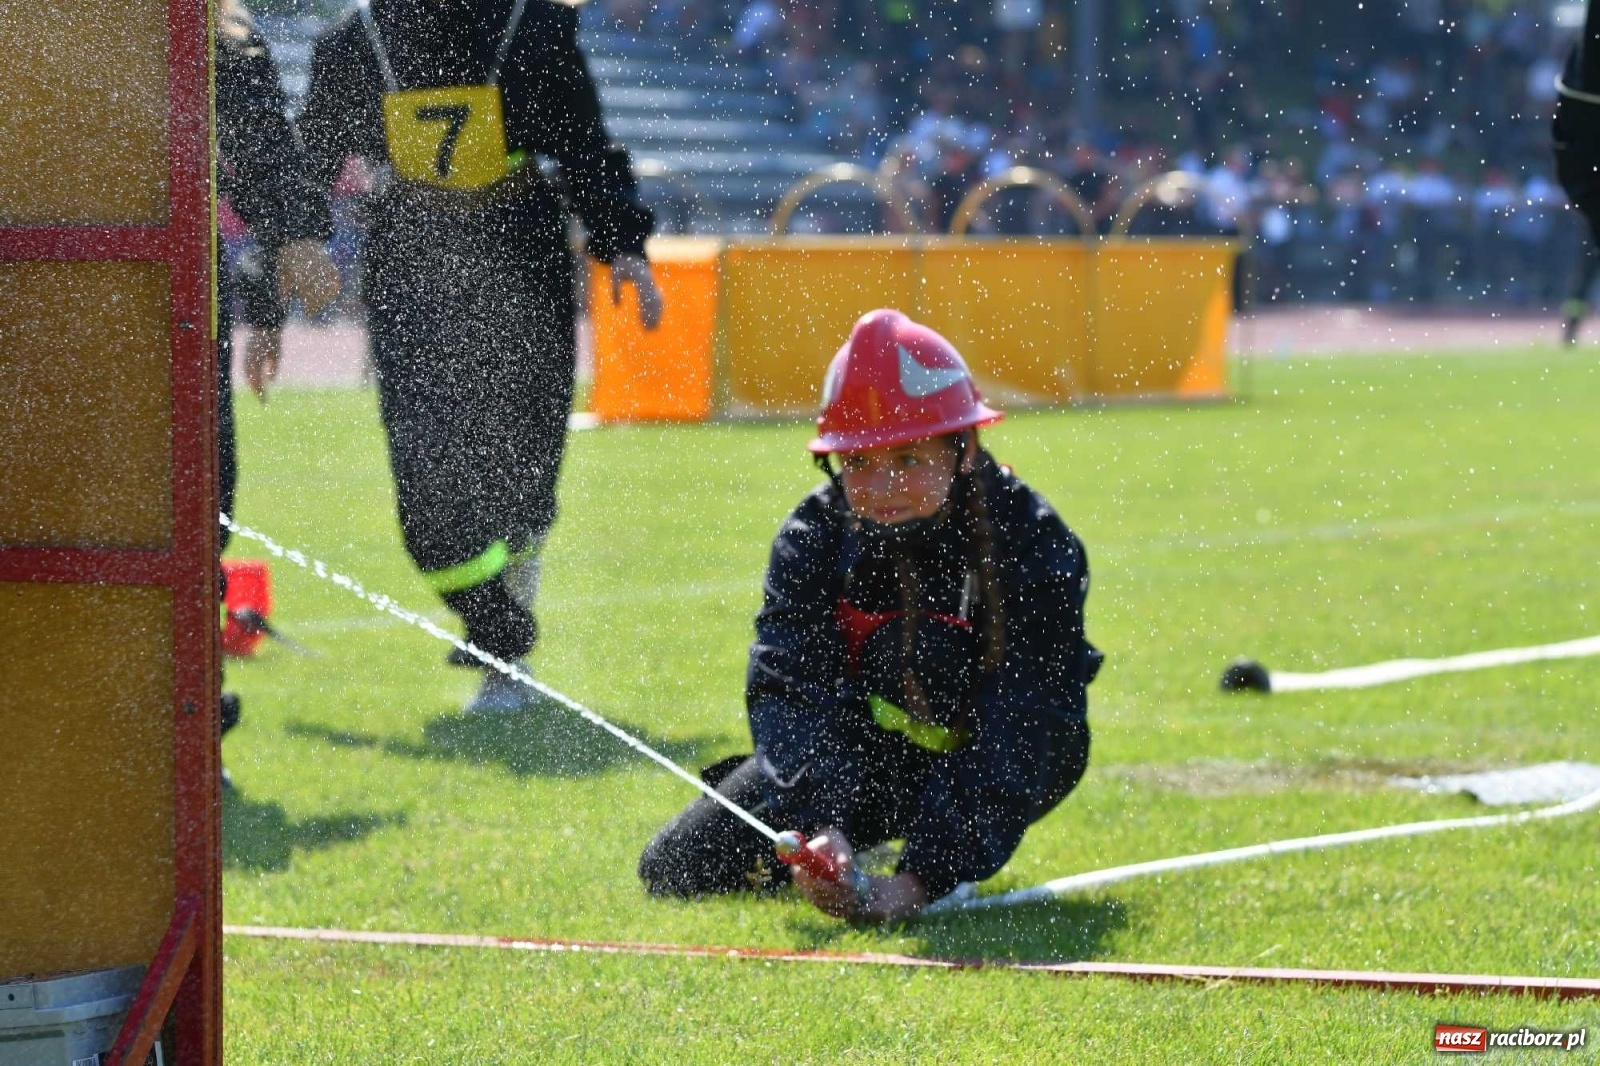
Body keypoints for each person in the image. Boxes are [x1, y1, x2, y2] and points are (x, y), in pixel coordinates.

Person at [638, 310, 1100, 923]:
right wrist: (819, 824)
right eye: (858, 463)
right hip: (867, 756)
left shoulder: (1033, 542)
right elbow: (789, 689)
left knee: (948, 679)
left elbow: (1026, 722)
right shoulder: (813, 536)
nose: (882, 485)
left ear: (964, 448)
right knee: (674, 869)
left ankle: (943, 857)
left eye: (908, 458)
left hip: (1006, 755)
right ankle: (866, 836)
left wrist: (916, 882)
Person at [297, 0, 663, 714]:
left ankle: (505, 656)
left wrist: (623, 245)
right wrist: (296, 241)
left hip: (522, 250)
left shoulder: (538, 25)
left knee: (525, 465)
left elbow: (587, 144)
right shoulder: (353, 39)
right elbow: (312, 154)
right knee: (427, 482)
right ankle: (500, 630)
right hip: (413, 264)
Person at [216, 0, 341, 784]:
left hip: (171, 304)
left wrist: (288, 253)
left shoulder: (212, 31)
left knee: (197, 511)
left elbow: (262, 145)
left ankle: (187, 728)